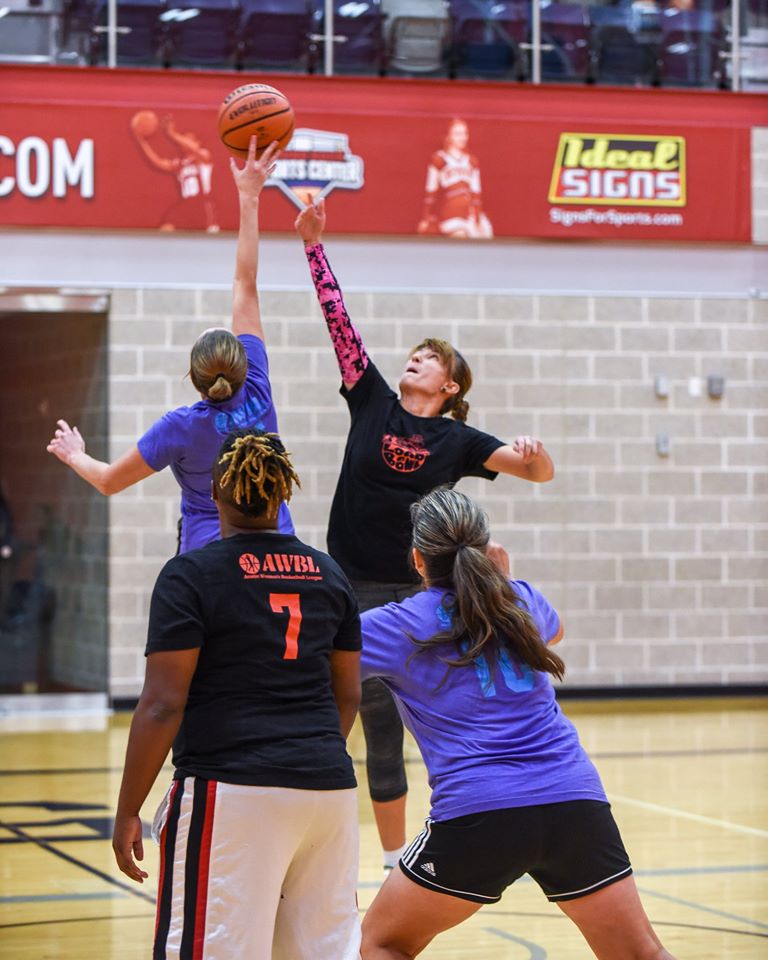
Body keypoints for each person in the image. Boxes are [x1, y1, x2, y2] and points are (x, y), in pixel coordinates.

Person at [294, 197, 555, 870]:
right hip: (339, 580)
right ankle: (301, 834)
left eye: (428, 358)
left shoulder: (459, 439)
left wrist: (538, 452)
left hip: (405, 596)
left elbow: (535, 473)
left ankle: (387, 862)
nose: (414, 359)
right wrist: (314, 246)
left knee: (384, 728)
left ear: (450, 385)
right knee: (317, 710)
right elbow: (339, 322)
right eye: (413, 354)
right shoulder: (371, 398)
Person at [359, 487, 677, 960]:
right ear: (486, 551)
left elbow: (320, 657)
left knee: (383, 942)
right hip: (575, 801)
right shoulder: (520, 598)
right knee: (641, 953)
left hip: (479, 811)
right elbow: (555, 627)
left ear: (418, 559)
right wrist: (502, 582)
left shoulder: (393, 625)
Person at [111, 428, 362, 960]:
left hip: (233, 790)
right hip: (329, 793)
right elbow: (349, 695)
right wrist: (307, 753)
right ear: (282, 493)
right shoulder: (331, 574)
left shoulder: (190, 575)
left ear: (215, 494)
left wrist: (128, 808)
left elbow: (162, 703)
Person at [47, 138, 293, 555]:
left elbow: (107, 480)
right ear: (241, 363)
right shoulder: (258, 386)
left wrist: (75, 456)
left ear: (196, 381)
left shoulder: (180, 427)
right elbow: (245, 284)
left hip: (208, 558)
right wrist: (249, 195)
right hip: (278, 549)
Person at [132, 111, 220, 233]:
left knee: (207, 241)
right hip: (186, 204)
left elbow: (193, 148)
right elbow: (157, 161)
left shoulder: (203, 156)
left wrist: (172, 134)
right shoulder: (180, 164)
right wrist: (142, 141)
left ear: (197, 142)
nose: (184, 142)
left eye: (188, 139)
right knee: (167, 227)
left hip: (203, 205)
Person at [416, 118, 493, 239]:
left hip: (469, 214)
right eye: (458, 134)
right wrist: (426, 218)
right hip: (451, 214)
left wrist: (478, 220)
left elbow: (476, 193)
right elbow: (431, 192)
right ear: (448, 136)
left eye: (465, 133)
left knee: (485, 236)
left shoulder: (472, 161)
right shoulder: (439, 159)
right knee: (460, 239)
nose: (463, 137)